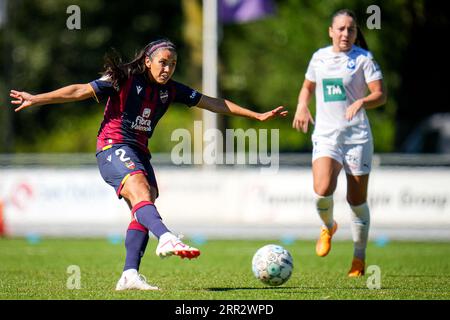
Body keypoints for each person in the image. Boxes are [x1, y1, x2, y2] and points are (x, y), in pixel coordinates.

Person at [10, 38, 288, 290]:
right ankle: (166, 236)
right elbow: (78, 90)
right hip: (112, 146)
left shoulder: (172, 90)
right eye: (163, 62)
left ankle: (130, 274)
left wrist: (256, 116)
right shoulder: (124, 78)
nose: (167, 69)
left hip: (140, 151)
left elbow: (213, 102)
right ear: (148, 61)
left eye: (173, 64)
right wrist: (36, 98)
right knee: (142, 192)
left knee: (144, 206)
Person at [292, 9, 386, 277]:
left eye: (351, 30)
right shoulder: (319, 58)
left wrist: (362, 100)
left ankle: (358, 258)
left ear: (356, 33)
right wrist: (301, 105)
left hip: (357, 137)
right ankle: (328, 226)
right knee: (322, 189)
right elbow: (308, 87)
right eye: (341, 29)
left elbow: (380, 95)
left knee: (356, 200)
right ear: (331, 31)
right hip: (326, 135)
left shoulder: (363, 59)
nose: (346, 34)